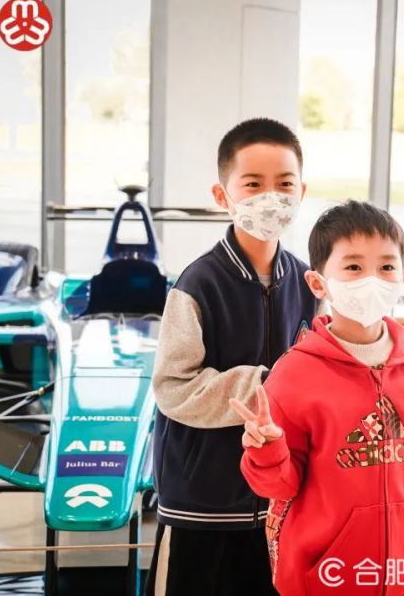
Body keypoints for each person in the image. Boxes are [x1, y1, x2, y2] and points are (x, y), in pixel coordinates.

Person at [231, 201, 404, 596]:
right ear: (318, 284)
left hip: (400, 580)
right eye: (354, 267)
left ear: (403, 278)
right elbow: (278, 488)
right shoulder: (295, 376)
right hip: (320, 580)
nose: (372, 279)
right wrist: (267, 450)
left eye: (386, 267)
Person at [145, 118, 318, 595]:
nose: (271, 197)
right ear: (223, 196)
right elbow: (173, 388)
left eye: (285, 184)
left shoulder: (308, 284)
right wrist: (268, 385)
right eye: (253, 184)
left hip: (280, 498)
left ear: (302, 192)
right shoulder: (197, 284)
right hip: (202, 500)